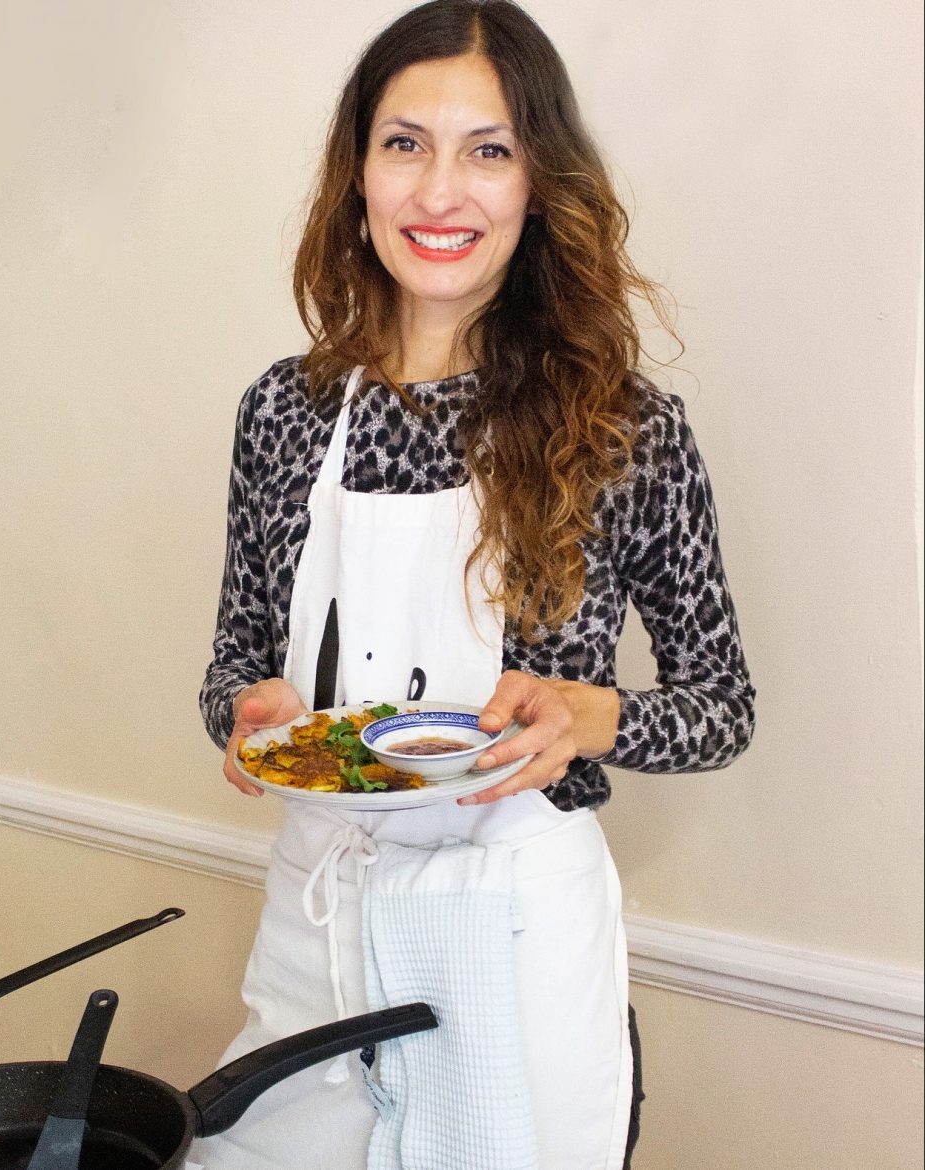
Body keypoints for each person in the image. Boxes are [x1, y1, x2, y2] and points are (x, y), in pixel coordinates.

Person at [195, 2, 755, 1168]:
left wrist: (595, 716)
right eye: (405, 144)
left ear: (538, 183)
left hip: (509, 934)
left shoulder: (625, 430)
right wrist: (246, 718)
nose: (439, 192)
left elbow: (722, 705)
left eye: (487, 150)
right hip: (321, 923)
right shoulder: (284, 415)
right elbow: (231, 668)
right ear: (359, 175)